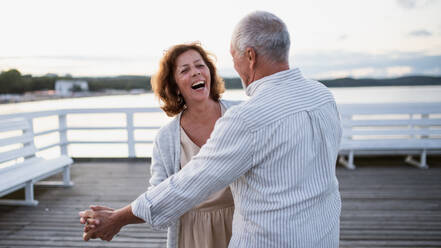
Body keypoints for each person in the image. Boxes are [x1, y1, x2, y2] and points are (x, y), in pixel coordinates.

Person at [80, 10, 342, 247]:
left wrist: (117, 218)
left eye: (234, 56)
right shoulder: (322, 96)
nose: (235, 65)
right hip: (322, 237)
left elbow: (188, 185)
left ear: (250, 57)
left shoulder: (245, 119)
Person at [81, 42, 238, 248]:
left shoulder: (238, 116)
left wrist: (118, 218)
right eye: (185, 70)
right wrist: (114, 217)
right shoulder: (166, 137)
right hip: (191, 234)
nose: (195, 73)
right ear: (174, 85)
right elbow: (159, 195)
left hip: (242, 224)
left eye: (200, 66)